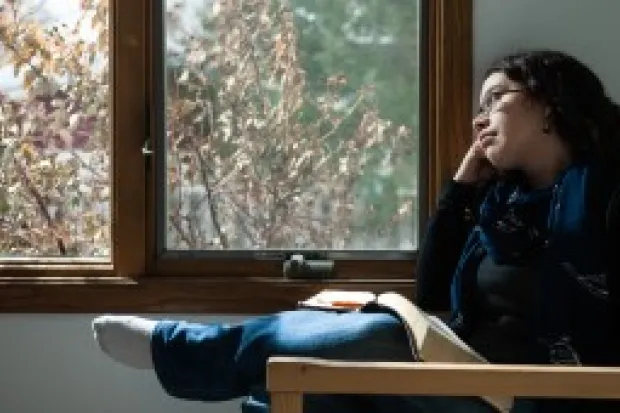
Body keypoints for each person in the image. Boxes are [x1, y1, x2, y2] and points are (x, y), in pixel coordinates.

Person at [92, 49, 620, 413]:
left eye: (497, 99)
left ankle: (179, 349)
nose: (480, 120)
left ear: (549, 103)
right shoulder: (499, 206)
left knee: (367, 337)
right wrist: (462, 186)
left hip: (537, 393)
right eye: (478, 107)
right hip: (465, 376)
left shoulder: (606, 193)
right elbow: (434, 293)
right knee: (304, 393)